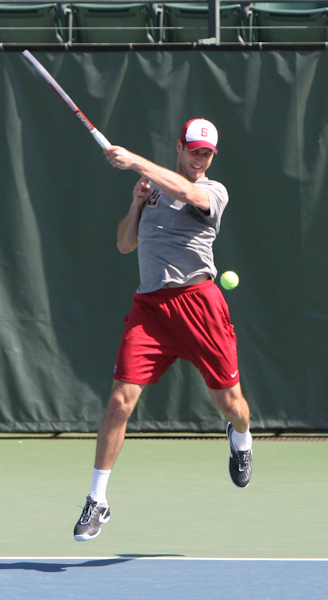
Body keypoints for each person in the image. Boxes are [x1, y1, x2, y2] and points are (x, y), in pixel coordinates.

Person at [73, 118, 253, 542]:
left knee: (232, 405)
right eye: (194, 150)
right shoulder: (153, 190)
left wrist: (133, 161)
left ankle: (241, 438)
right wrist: (136, 204)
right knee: (119, 401)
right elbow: (124, 244)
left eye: (206, 153)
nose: (199, 158)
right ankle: (98, 499)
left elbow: (188, 193)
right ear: (180, 146)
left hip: (199, 305)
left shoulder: (212, 191)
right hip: (150, 308)